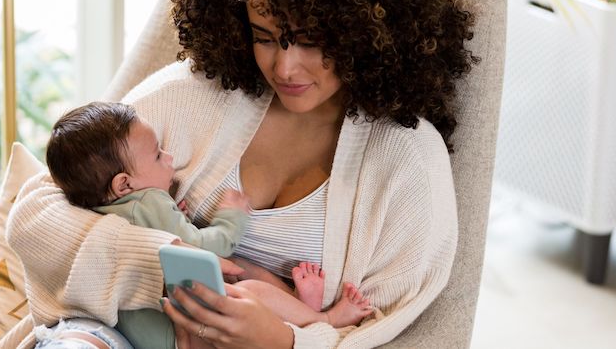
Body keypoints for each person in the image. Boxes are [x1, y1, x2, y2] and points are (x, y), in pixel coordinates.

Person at [3, 0, 477, 348]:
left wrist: (284, 339)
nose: (285, 68)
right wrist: (157, 263)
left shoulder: (408, 162)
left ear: (366, 32)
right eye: (265, 38)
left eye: (310, 41)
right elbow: (37, 213)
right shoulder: (192, 95)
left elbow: (397, 330)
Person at [41, 101, 372, 349]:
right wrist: (232, 217)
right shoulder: (150, 202)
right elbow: (207, 249)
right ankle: (322, 319)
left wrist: (175, 217)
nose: (169, 158)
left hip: (138, 336)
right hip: (181, 332)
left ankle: (299, 308)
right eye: (158, 155)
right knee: (248, 289)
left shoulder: (92, 206)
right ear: (124, 184)